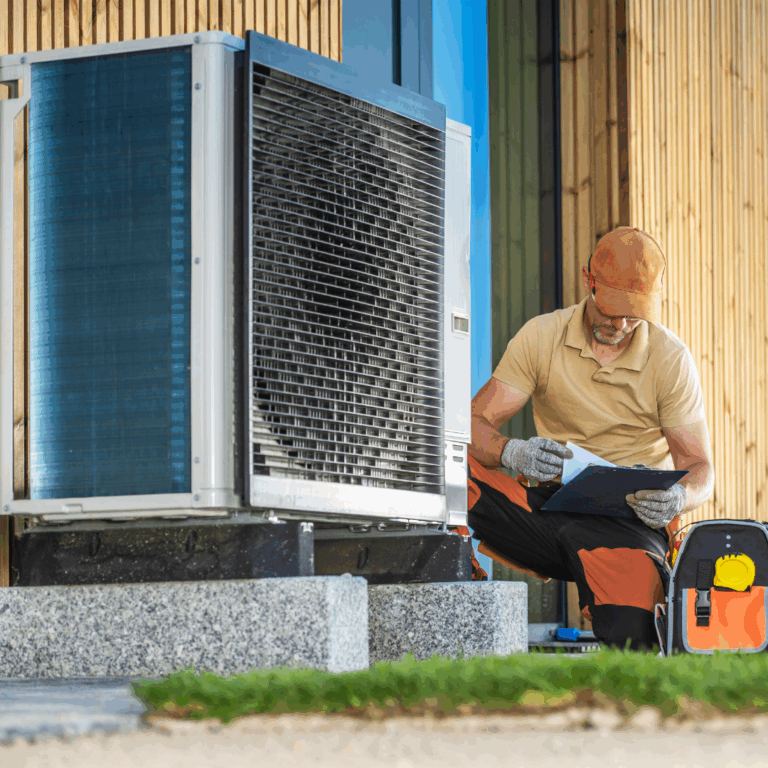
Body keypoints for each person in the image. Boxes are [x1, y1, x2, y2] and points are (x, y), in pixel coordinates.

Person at [467, 226, 715, 650]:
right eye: (611, 308)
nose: (619, 324)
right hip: (544, 510)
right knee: (447, 457)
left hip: (629, 525)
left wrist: (679, 498)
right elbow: (471, 424)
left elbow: (700, 468)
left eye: (633, 314)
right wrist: (513, 452)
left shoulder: (670, 358)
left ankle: (609, 597)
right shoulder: (541, 336)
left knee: (635, 640)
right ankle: (456, 580)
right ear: (588, 280)